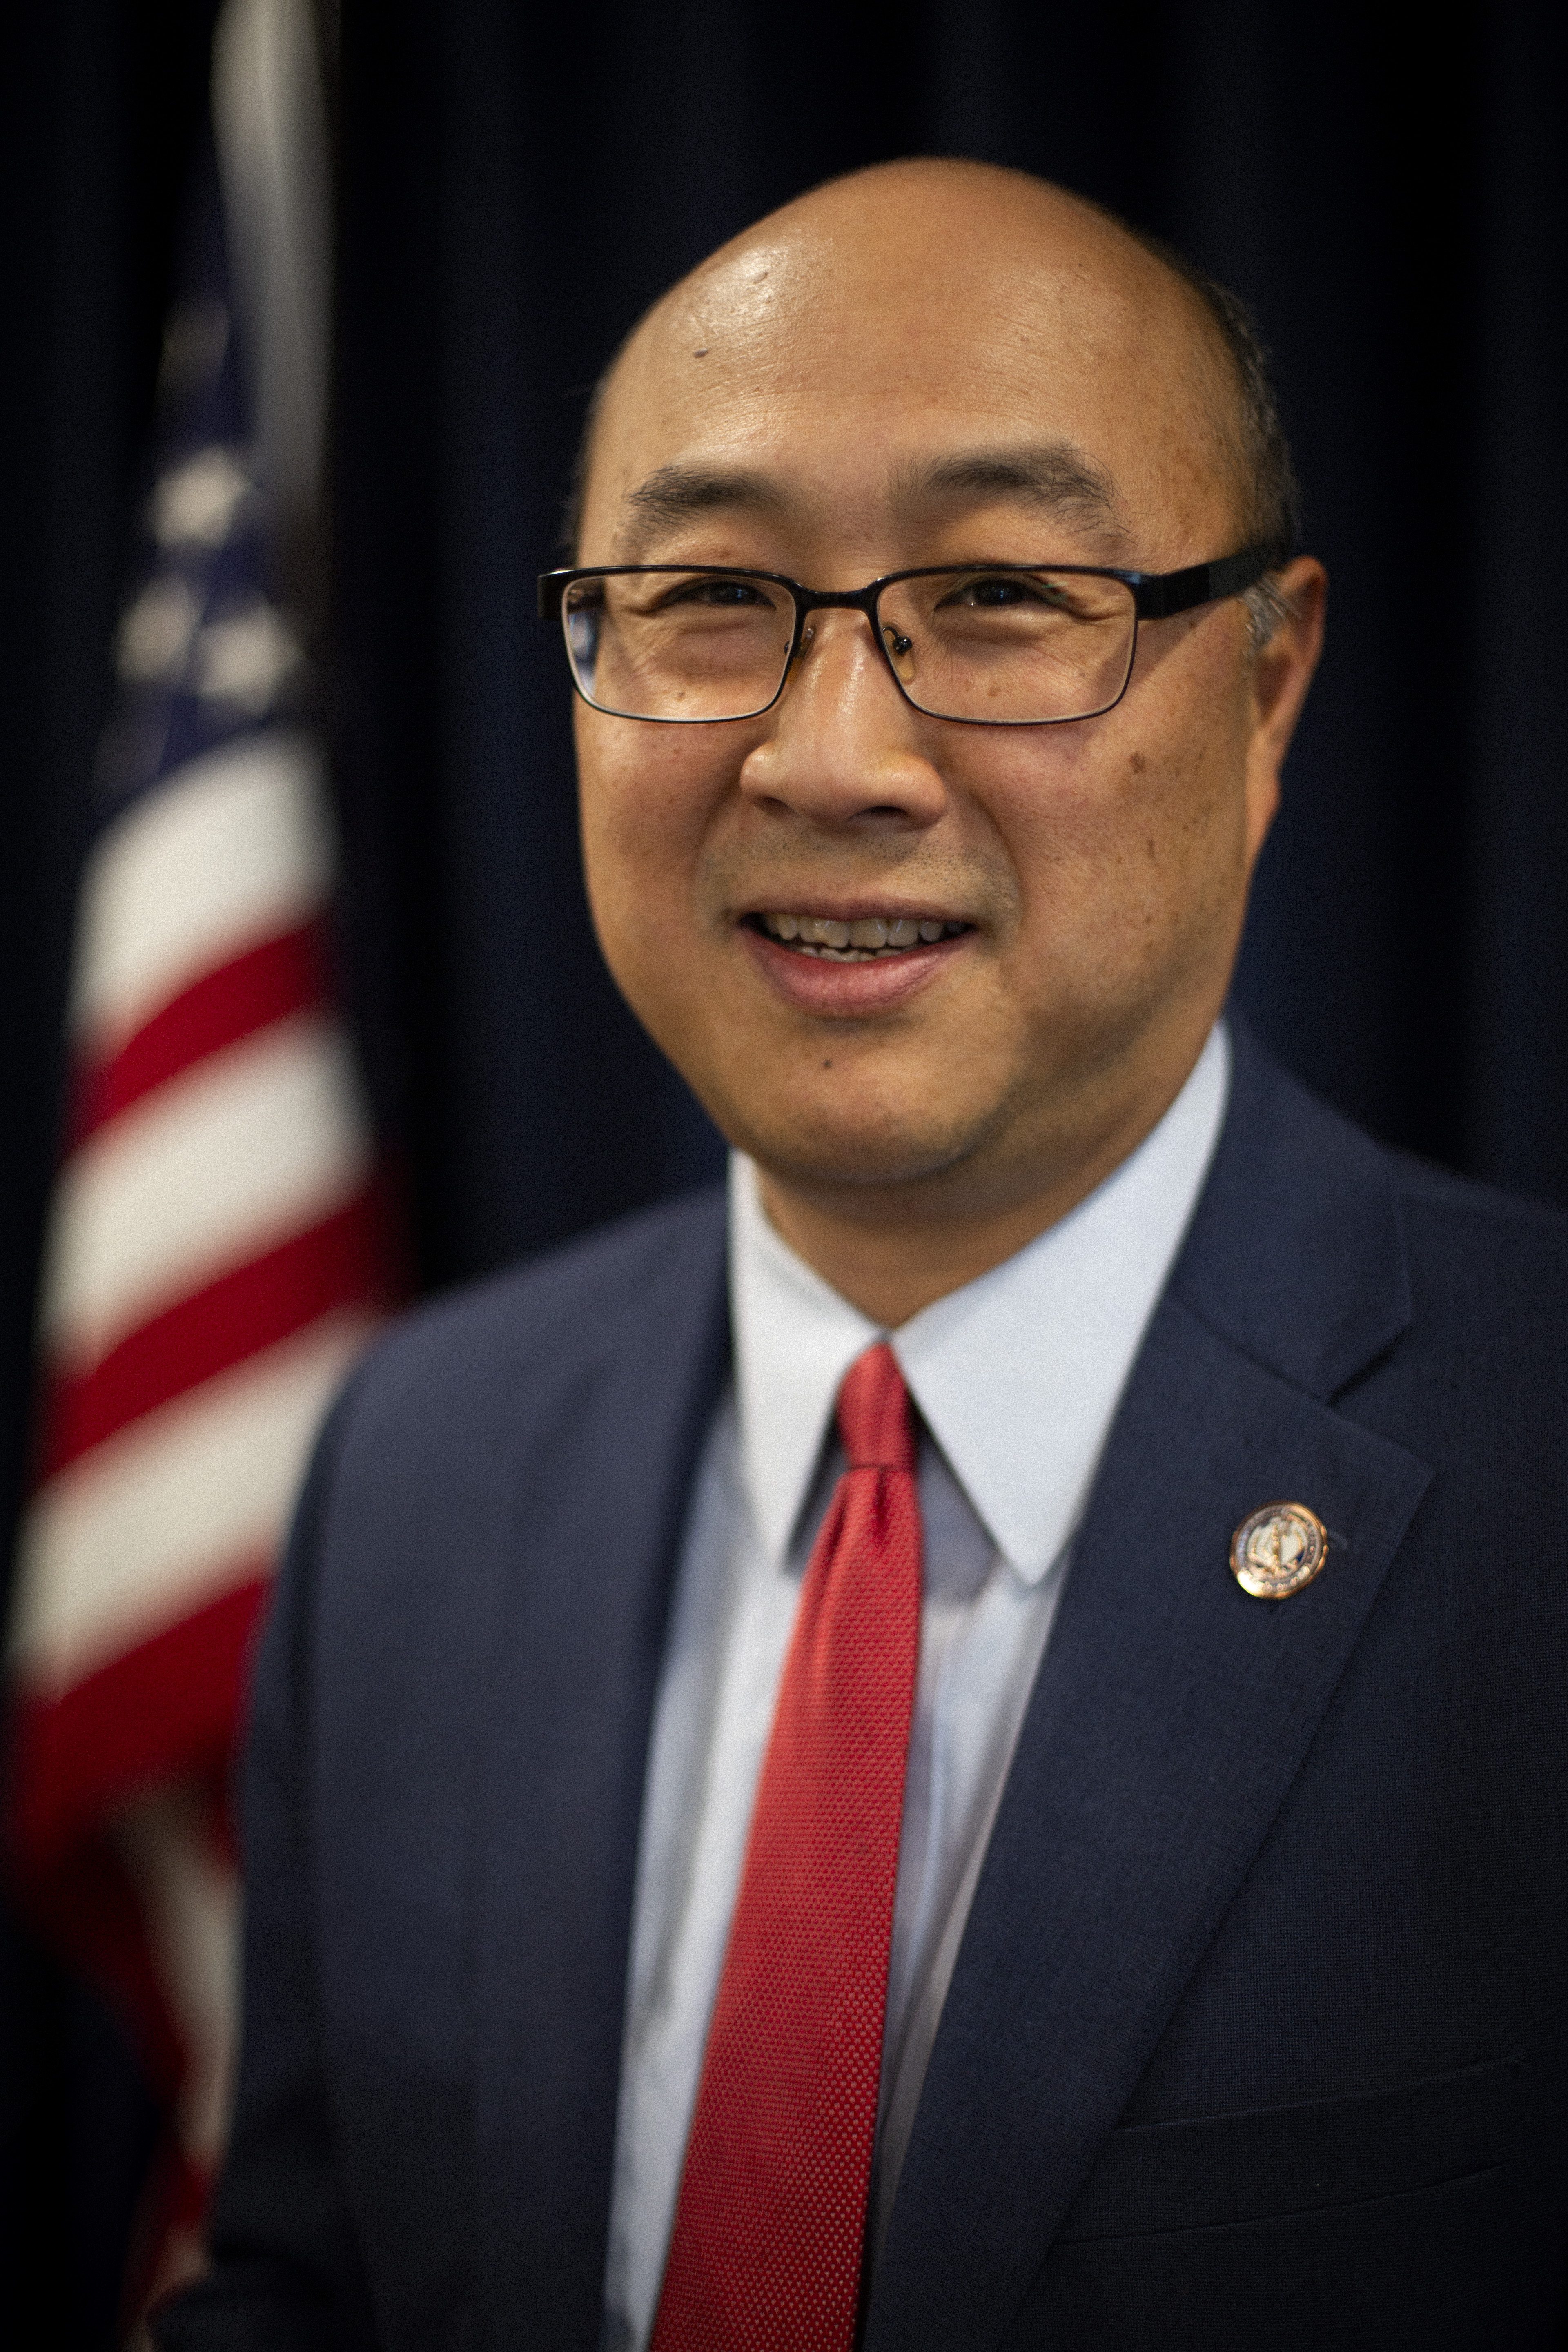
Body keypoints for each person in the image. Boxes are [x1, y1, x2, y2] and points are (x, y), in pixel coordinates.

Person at [154, 160, 1568, 2352]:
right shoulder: (419, 1463)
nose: (833, 759)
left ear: (1269, 690)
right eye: (707, 597)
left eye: (1004, 595)